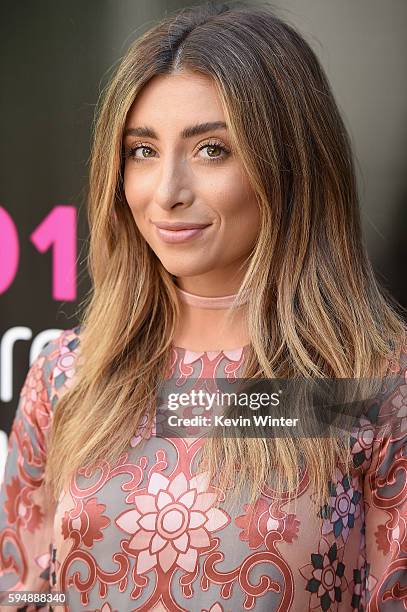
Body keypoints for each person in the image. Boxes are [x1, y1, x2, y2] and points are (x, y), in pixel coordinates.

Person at [1, 2, 406, 610]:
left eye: (212, 149)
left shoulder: (363, 388)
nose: (167, 192)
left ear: (290, 166)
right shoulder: (68, 378)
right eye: (142, 151)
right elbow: (25, 592)